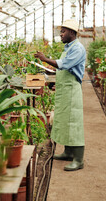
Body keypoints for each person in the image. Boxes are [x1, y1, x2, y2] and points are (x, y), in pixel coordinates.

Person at [34, 19, 86, 171]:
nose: (61, 34)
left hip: (72, 91)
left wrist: (44, 59)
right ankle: (68, 152)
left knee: (74, 124)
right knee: (64, 121)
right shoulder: (69, 47)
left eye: (63, 31)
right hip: (65, 89)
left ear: (71, 32)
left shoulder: (77, 48)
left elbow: (64, 64)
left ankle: (78, 159)